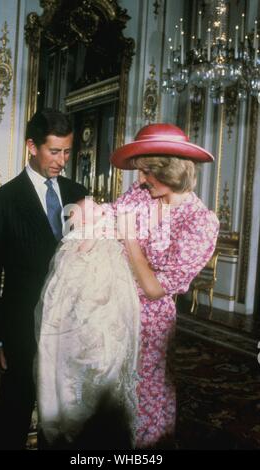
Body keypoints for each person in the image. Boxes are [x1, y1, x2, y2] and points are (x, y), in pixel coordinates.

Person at [0, 108, 88, 449]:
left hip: (70, 324)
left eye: (68, 151)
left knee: (66, 412)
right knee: (15, 410)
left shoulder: (78, 192)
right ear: (31, 146)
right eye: (54, 151)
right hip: (21, 326)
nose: (62, 160)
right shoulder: (0, 201)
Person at [108, 123, 220, 448]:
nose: (140, 179)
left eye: (147, 172)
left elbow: (156, 288)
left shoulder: (200, 223)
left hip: (151, 322)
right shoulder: (141, 194)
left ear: (168, 171)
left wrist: (128, 238)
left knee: (145, 393)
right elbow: (111, 218)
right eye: (141, 171)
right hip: (115, 308)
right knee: (111, 390)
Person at [35, 198, 140, 449]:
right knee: (80, 379)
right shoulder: (78, 241)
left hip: (107, 320)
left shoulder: (108, 239)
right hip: (83, 320)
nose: (101, 206)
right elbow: (68, 283)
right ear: (79, 220)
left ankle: (104, 424)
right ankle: (80, 427)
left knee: (107, 371)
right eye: (92, 207)